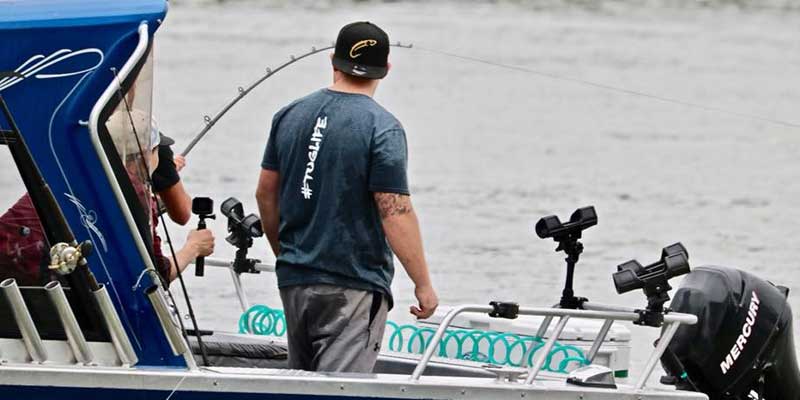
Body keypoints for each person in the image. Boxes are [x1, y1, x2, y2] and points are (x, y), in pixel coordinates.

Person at [255, 21, 438, 373]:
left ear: (332, 61)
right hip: (352, 285)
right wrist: (423, 284)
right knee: (338, 392)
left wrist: (287, 255)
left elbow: (265, 194)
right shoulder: (383, 128)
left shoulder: (289, 115)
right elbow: (394, 211)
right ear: (386, 69)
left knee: (299, 387)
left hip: (294, 281)